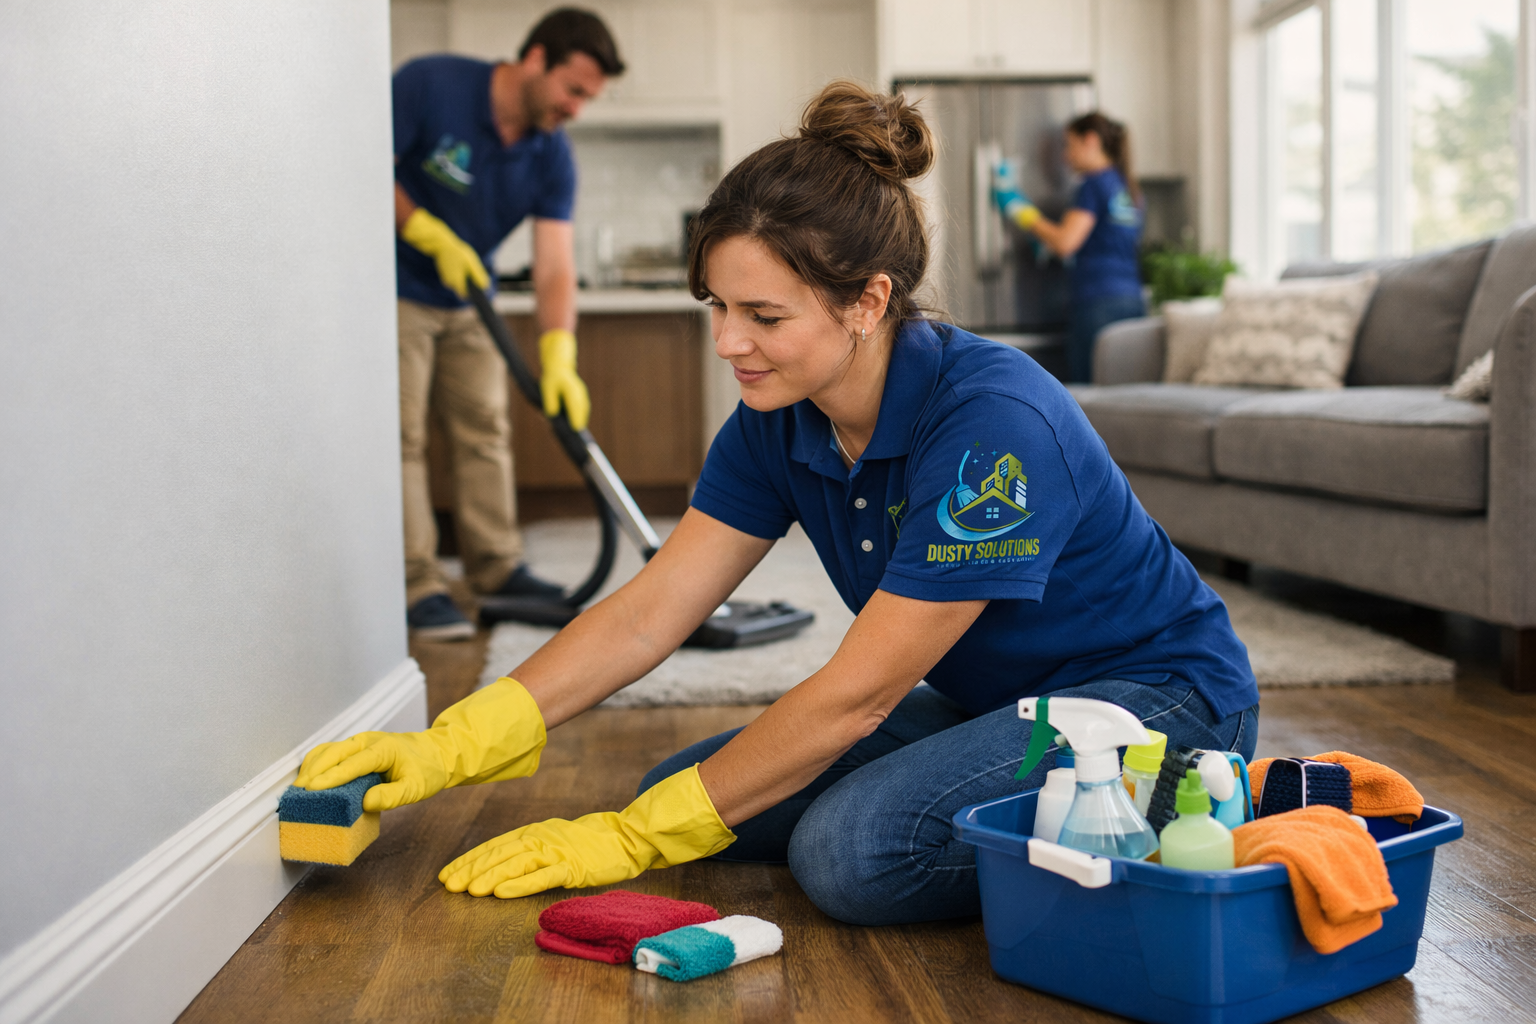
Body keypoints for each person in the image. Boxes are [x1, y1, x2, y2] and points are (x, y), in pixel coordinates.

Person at [297, 82, 1258, 925]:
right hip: (1007, 703)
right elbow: (647, 616)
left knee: (850, 855)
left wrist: (639, 840)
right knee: (678, 789)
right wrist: (458, 741)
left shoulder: (992, 425)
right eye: (717, 306)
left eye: (764, 316)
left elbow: (862, 692)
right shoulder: (780, 417)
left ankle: (1193, 815)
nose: (729, 344)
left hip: (1154, 705)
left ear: (868, 302)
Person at [394, 9, 625, 641]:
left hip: (472, 299)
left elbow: (553, 266)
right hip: (395, 291)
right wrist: (422, 229)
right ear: (535, 60)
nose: (576, 109)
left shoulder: (552, 155)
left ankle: (495, 570)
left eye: (588, 98)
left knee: (485, 431)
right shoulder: (429, 84)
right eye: (572, 90)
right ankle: (417, 585)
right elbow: (365, 169)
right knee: (401, 435)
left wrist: (559, 356)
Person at [994, 112, 1145, 384]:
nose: (1065, 156)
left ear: (1090, 140)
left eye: (1069, 144)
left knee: (1087, 399)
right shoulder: (1126, 187)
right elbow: (1103, 243)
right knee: (1120, 394)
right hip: (1131, 301)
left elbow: (1066, 243)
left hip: (1097, 304)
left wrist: (1019, 208)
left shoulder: (1093, 184)